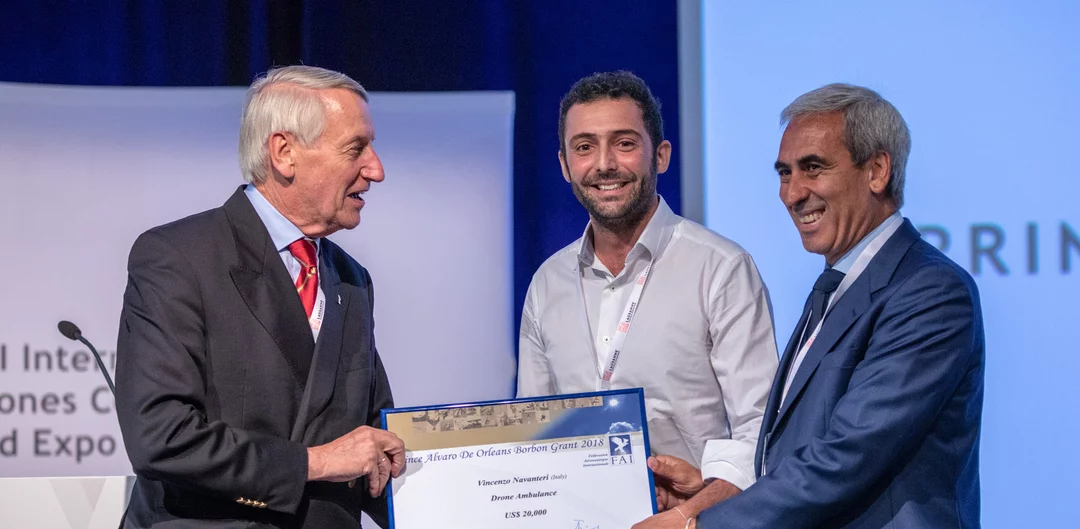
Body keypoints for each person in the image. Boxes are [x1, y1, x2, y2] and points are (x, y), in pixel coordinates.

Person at [647, 83, 984, 529]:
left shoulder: (930, 291)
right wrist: (713, 496)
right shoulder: (835, 286)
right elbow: (797, 448)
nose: (792, 194)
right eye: (785, 173)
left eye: (813, 168)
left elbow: (850, 454)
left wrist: (702, 525)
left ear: (877, 171)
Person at [114, 65, 405, 529]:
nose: (376, 169)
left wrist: (491, 487)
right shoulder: (178, 257)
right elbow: (161, 436)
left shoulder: (352, 280)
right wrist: (314, 463)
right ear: (285, 153)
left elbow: (375, 444)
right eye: (356, 148)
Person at [516, 70, 779, 523]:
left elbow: (759, 433)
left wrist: (687, 516)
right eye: (584, 147)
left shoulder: (720, 269)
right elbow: (533, 431)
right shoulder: (547, 283)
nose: (604, 164)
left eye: (624, 143)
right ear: (564, 165)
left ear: (661, 155)